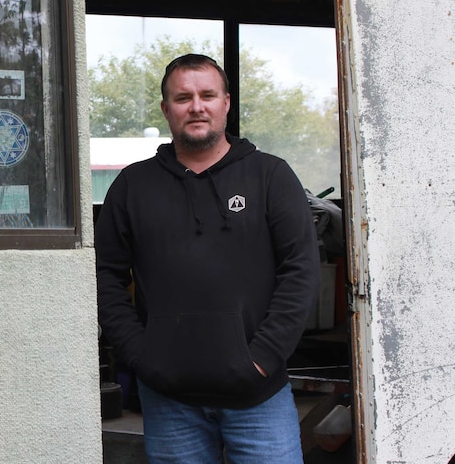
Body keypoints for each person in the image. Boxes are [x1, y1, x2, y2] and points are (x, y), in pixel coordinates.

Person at [95, 54, 320, 463]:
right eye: (183, 97)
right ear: (166, 109)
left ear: (226, 103)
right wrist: (141, 357)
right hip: (168, 401)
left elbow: (301, 273)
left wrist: (263, 359)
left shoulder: (271, 177)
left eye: (207, 95)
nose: (196, 106)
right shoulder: (133, 186)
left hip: (258, 396)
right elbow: (104, 276)